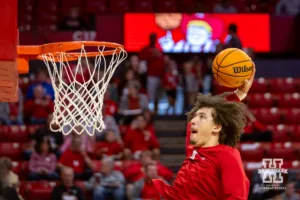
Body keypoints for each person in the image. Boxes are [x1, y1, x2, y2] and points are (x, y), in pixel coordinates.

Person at [152, 63, 256, 199]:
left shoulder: (227, 155)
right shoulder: (194, 149)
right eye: (194, 116)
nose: (193, 121)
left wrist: (240, 93)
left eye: (202, 117)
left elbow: (237, 197)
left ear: (217, 127)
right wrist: (238, 94)